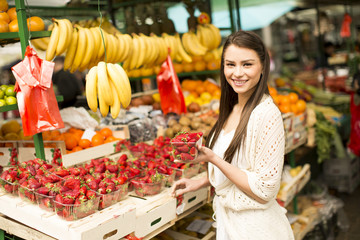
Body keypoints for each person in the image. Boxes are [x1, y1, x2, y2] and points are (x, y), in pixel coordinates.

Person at [171, 30, 294, 239]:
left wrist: (213, 159)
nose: (237, 73)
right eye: (230, 64)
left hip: (257, 230)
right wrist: (202, 181)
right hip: (231, 226)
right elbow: (241, 167)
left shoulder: (266, 114)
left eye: (247, 64)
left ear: (263, 66)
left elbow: (265, 191)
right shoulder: (232, 108)